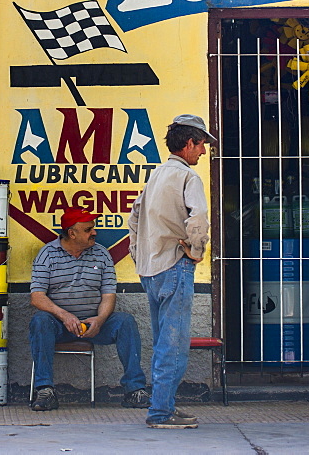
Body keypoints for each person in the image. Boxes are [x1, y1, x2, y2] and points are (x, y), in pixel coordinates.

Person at [128, 114, 214, 428]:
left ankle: (164, 405)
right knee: (173, 344)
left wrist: (140, 257)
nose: (203, 151)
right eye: (202, 144)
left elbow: (134, 217)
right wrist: (195, 251)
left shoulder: (157, 174)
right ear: (189, 143)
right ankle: (161, 413)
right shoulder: (188, 178)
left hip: (151, 269)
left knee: (163, 341)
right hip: (175, 266)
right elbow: (199, 218)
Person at [29, 206, 149, 411]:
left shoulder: (101, 254)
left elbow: (109, 295)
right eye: (88, 229)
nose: (94, 232)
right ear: (71, 233)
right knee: (40, 321)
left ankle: (135, 391)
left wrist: (100, 320)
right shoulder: (47, 254)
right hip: (59, 325)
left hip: (94, 323)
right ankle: (45, 390)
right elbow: (37, 297)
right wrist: (64, 315)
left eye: (93, 228)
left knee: (125, 322)